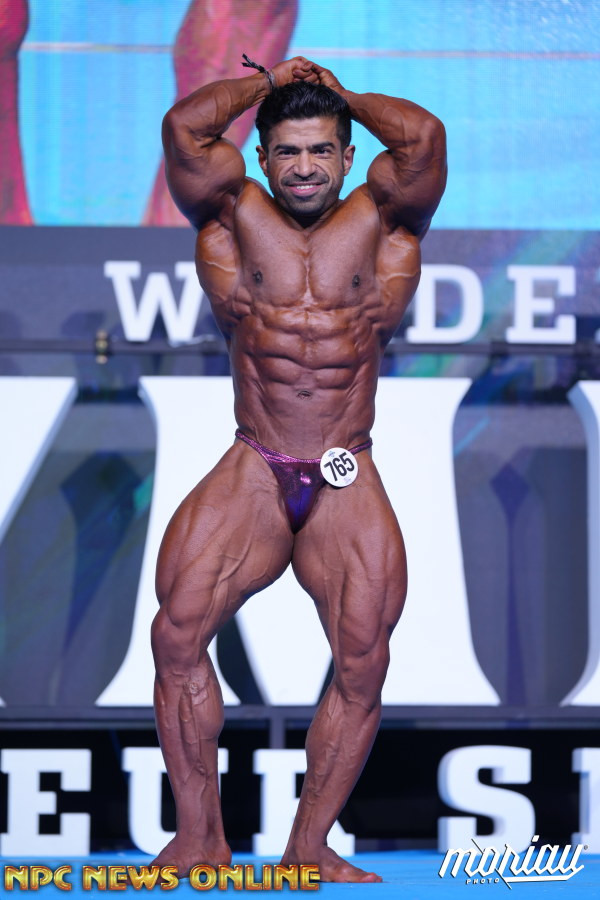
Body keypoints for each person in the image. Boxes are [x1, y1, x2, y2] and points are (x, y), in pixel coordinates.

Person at [152, 56, 446, 882]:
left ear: (349, 156)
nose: (305, 167)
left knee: (363, 661)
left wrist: (341, 94)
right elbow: (184, 129)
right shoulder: (229, 213)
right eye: (287, 150)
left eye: (321, 149)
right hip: (256, 461)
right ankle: (201, 838)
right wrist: (266, 86)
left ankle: (309, 845)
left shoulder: (387, 219)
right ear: (263, 155)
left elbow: (423, 138)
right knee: (177, 635)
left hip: (347, 467)